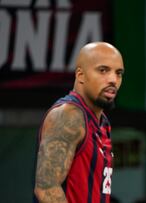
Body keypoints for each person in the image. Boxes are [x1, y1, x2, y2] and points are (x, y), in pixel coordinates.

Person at [34, 42, 124, 203]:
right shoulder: (68, 116)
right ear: (80, 75)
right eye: (103, 70)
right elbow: (47, 189)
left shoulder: (102, 122)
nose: (113, 79)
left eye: (119, 73)